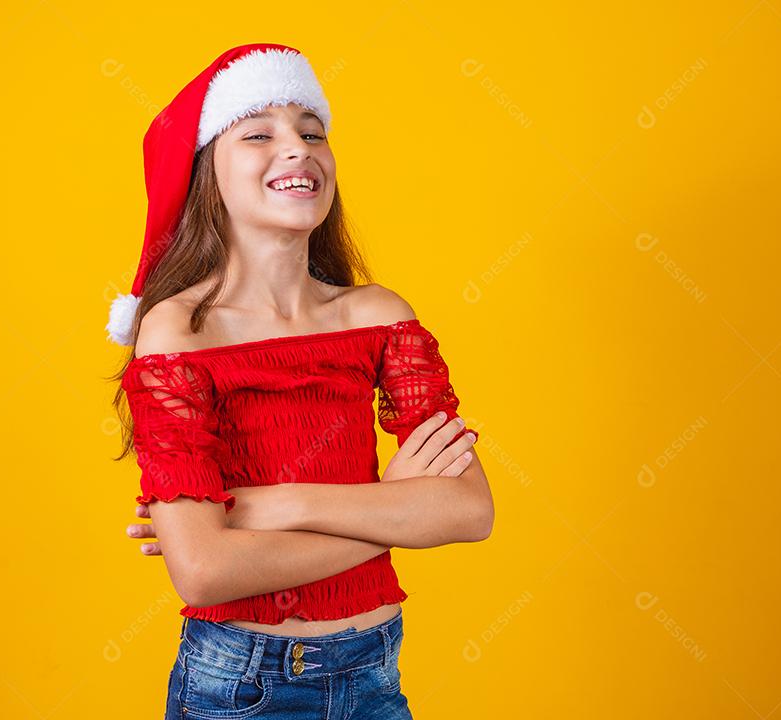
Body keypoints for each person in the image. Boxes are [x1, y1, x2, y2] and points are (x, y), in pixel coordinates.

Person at [107, 44, 492, 719]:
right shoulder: (178, 330)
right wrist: (394, 509)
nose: (297, 148)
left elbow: (468, 511)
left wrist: (274, 505)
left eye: (312, 133)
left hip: (375, 676)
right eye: (258, 134)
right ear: (206, 172)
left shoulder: (377, 315)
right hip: (244, 686)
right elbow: (204, 571)